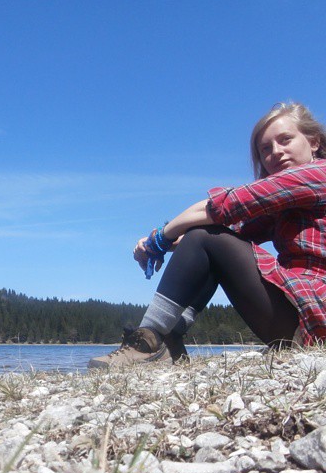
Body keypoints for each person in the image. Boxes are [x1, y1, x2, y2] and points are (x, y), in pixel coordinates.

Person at [89, 101, 326, 369]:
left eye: (286, 140)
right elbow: (232, 231)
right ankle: (167, 341)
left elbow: (223, 207)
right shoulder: (289, 203)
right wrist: (173, 241)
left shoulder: (318, 174)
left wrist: (160, 239)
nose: (277, 152)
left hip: (315, 317)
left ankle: (151, 342)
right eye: (265, 149)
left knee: (206, 236)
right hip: (303, 319)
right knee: (206, 237)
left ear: (314, 141)